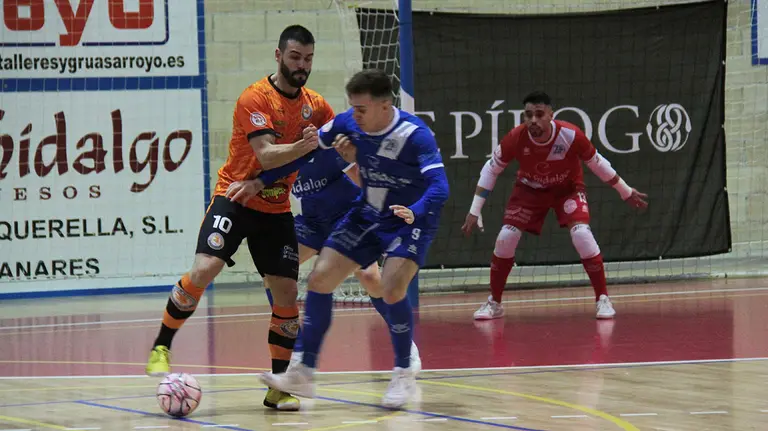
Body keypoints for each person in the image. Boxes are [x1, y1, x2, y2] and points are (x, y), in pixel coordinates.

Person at [144, 24, 334, 412]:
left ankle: (278, 385)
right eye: (295, 57)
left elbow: (332, 138)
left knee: (286, 292)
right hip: (235, 197)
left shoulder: (316, 105)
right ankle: (162, 345)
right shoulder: (255, 97)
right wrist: (304, 147)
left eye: (308, 59)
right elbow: (267, 154)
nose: (302, 66)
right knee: (205, 268)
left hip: (275, 209)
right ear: (278, 56)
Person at [256, 68, 449, 409]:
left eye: (361, 109)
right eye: (352, 107)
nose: (353, 115)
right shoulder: (348, 123)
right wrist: (259, 181)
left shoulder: (415, 135)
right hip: (367, 214)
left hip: (408, 219)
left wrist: (415, 210)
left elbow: (440, 187)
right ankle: (304, 370)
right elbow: (307, 149)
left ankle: (404, 370)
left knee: (390, 286)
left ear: (385, 106)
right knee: (320, 279)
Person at [233, 145, 423, 373]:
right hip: (313, 223)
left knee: (370, 277)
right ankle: (297, 351)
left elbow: (362, 179)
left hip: (346, 219)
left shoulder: (327, 147)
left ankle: (406, 346)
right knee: (273, 273)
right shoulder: (279, 157)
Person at [461, 91, 648, 321]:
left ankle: (602, 298)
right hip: (529, 190)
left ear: (551, 115)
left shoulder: (570, 135)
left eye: (539, 114)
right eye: (528, 115)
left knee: (581, 234)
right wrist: (474, 210)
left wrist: (625, 191)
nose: (533, 120)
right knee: (506, 237)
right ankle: (495, 303)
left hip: (567, 189)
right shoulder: (516, 137)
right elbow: (491, 170)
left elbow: (597, 163)